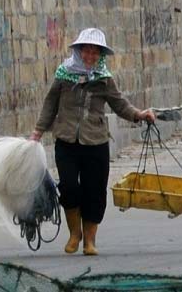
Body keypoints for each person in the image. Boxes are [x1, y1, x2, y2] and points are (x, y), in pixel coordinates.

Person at [30, 28, 155, 256]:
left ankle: (89, 240)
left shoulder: (104, 79)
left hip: (96, 141)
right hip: (66, 140)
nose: (90, 56)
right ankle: (74, 234)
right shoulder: (63, 75)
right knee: (68, 186)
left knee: (94, 191)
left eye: (94, 52)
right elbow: (50, 104)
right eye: (86, 51)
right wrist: (38, 131)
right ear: (79, 51)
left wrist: (139, 114)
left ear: (100, 55)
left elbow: (120, 104)